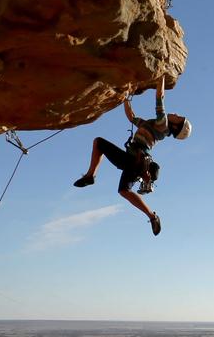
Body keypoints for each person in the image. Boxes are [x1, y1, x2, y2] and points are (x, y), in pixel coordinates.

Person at [73, 76, 191, 235]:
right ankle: (152, 216)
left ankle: (91, 175)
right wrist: (126, 97)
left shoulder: (163, 125)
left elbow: (160, 97)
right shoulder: (151, 125)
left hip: (135, 159)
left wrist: (162, 74)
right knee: (123, 190)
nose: (176, 113)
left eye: (179, 117)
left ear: (176, 126)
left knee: (98, 143)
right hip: (135, 161)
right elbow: (131, 117)